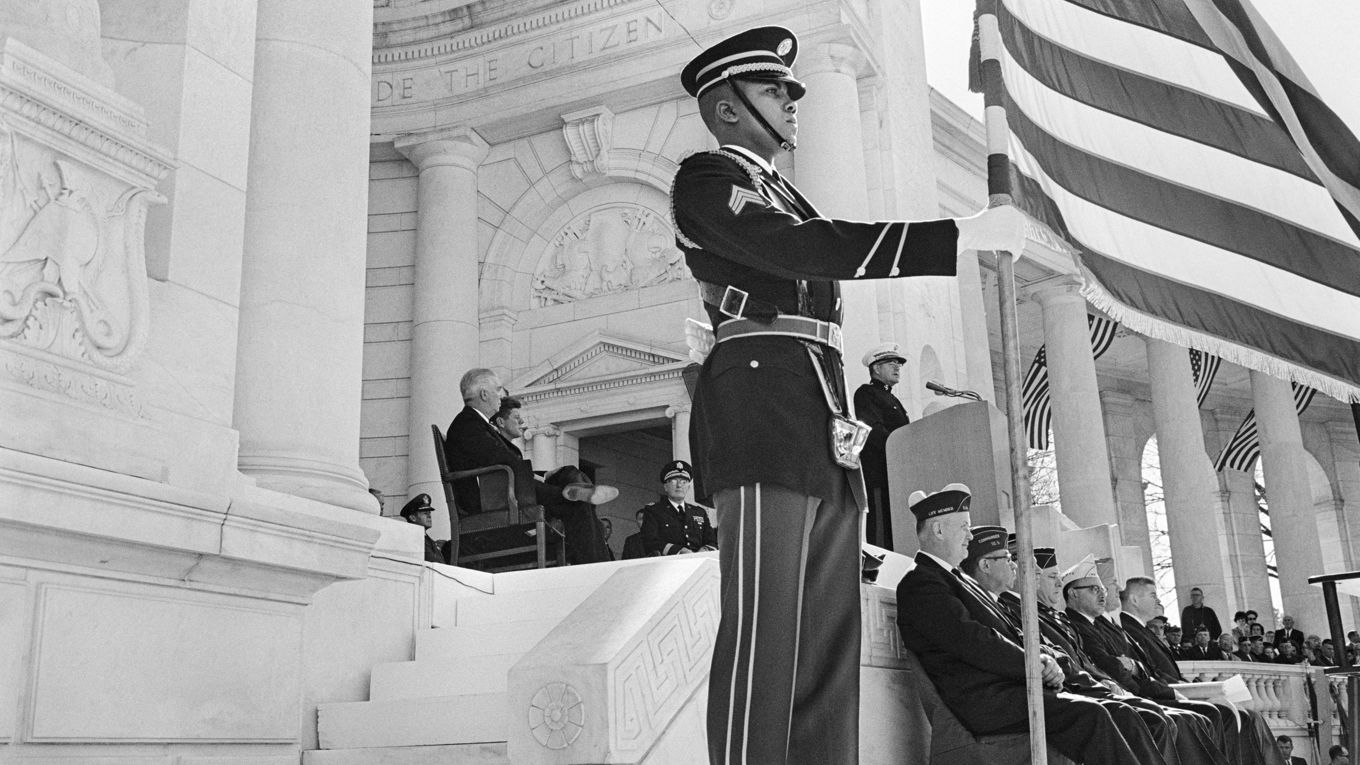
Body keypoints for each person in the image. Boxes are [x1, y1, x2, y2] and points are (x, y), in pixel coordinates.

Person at [670, 26, 1029, 765]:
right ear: (727, 108)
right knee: (766, 635)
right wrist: (954, 236)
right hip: (763, 412)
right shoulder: (705, 180)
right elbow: (809, 248)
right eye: (775, 90)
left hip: (819, 414)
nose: (793, 102)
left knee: (828, 641)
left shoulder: (779, 189)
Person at [895, 486, 1167, 765]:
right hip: (986, 701)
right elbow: (975, 640)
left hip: (1012, 689)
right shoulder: (922, 582)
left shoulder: (959, 580)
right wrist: (1035, 663)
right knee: (1094, 716)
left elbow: (1011, 633)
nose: (970, 535)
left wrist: (1047, 658)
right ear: (938, 530)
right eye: (964, 526)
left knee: (1125, 714)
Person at [994, 540, 1229, 765]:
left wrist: (1111, 679)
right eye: (1050, 576)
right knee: (1161, 720)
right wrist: (1109, 682)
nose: (1105, 593)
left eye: (1105, 587)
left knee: (1194, 717)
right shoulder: (1025, 611)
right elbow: (1089, 663)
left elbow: (1090, 661)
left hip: (1102, 688)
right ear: (1074, 593)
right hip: (1074, 692)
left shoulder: (1053, 616)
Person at [444, 370, 616, 564]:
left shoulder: (474, 423)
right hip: (495, 503)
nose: (502, 396)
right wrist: (541, 479)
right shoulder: (468, 424)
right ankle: (597, 565)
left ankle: (576, 490)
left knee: (568, 475)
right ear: (484, 394)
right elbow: (503, 461)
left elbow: (503, 461)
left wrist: (543, 475)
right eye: (498, 389)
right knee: (576, 505)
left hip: (503, 492)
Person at [1114, 575, 1287, 765]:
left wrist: (1186, 685)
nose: (1158, 600)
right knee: (1235, 716)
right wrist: (1179, 689)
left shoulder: (1141, 629)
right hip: (1163, 696)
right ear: (1135, 599)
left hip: (1175, 691)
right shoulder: (1128, 629)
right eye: (1152, 595)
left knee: (1250, 716)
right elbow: (1148, 673)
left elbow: (1155, 670)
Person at [853, 342, 909, 549]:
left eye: (898, 364)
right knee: (881, 532)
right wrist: (902, 448)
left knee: (897, 530)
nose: (897, 368)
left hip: (898, 477)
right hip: (880, 474)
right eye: (891, 363)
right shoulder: (866, 394)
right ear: (876, 368)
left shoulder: (892, 398)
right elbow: (873, 429)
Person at [639, 460, 717, 557]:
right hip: (669, 564)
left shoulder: (699, 512)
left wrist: (704, 550)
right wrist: (679, 550)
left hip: (697, 563)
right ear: (665, 487)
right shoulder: (654, 511)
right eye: (674, 481)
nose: (679, 485)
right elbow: (650, 541)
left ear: (688, 487)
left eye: (684, 481)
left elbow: (712, 541)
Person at [400, 493, 446, 563]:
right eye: (425, 513)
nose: (429, 516)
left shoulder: (428, 539)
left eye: (429, 513)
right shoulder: (412, 539)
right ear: (413, 517)